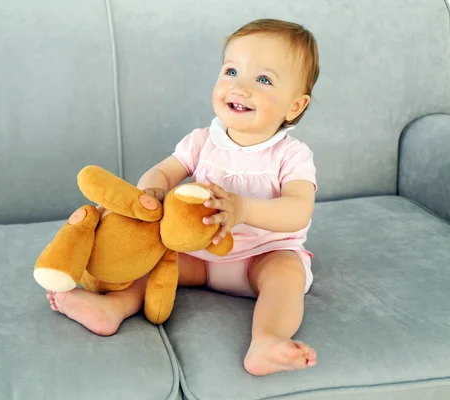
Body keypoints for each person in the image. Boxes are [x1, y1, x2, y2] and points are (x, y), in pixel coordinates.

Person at [47, 18, 320, 376]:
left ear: (294, 107)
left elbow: (298, 210)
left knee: (286, 278)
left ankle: (267, 340)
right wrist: (151, 192)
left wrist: (244, 209)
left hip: (262, 256)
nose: (239, 87)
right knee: (154, 262)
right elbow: (162, 172)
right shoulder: (201, 141)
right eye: (231, 71)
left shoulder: (291, 155)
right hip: (200, 254)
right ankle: (114, 307)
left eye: (263, 79)